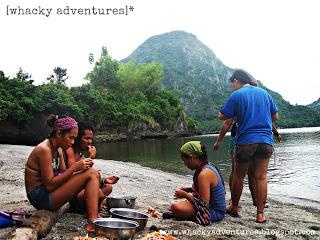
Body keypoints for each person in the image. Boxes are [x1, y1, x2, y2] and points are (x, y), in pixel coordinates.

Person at [218, 69, 279, 223]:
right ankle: (260, 214)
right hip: (265, 140)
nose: (232, 86)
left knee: (238, 176)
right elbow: (275, 116)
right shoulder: (264, 93)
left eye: (232, 83)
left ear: (237, 81)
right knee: (261, 177)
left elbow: (222, 116)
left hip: (246, 141)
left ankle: (234, 207)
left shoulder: (237, 95)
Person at [25, 115, 100, 233]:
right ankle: (93, 221)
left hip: (47, 192)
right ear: (59, 134)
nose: (73, 142)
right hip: (41, 197)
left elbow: (61, 174)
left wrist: (72, 169)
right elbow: (49, 185)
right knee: (92, 174)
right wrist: (75, 167)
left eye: (74, 138)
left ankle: (94, 217)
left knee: (94, 177)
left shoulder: (57, 149)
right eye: (70, 138)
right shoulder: (44, 149)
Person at [167, 141, 226, 225]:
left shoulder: (204, 175)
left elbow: (203, 205)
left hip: (214, 212)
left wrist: (185, 195)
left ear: (191, 158)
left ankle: (184, 214)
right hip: (212, 206)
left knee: (175, 207)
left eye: (184, 161)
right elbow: (208, 189)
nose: (185, 164)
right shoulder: (208, 165)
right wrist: (188, 189)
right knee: (176, 204)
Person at [64, 122, 119, 211]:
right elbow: (73, 173)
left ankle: (99, 202)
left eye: (91, 139)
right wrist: (91, 157)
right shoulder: (70, 151)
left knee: (108, 187)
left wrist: (104, 181)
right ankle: (99, 203)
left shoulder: (81, 154)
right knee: (99, 193)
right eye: (87, 138)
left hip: (82, 189)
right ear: (78, 138)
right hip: (72, 193)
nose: (90, 142)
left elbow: (87, 177)